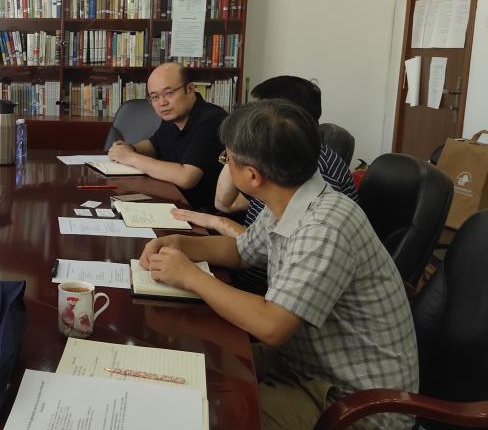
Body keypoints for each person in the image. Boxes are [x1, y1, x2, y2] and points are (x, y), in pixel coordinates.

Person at [140, 100, 417, 430]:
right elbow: (241, 251)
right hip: (305, 363)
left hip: (353, 403)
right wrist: (182, 244)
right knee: (183, 358)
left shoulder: (324, 227)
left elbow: (272, 326)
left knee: (205, 413)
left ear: (252, 176)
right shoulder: (290, 196)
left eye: (227, 159)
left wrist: (190, 277)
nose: (224, 164)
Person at [173, 75, 358, 238]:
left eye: (256, 112)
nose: (249, 119)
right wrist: (236, 148)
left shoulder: (310, 170)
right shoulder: (276, 158)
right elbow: (225, 204)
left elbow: (270, 251)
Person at [107, 62, 227, 209]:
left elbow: (187, 177)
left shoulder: (212, 121)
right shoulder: (174, 116)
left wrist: (130, 157)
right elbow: (154, 145)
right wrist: (129, 148)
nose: (162, 103)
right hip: (172, 198)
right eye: (155, 97)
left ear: (190, 89)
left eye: (169, 93)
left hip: (202, 211)